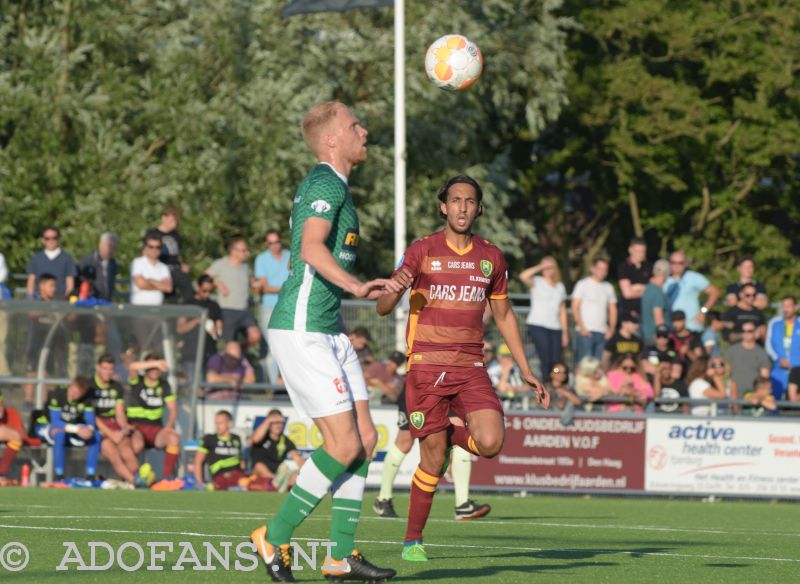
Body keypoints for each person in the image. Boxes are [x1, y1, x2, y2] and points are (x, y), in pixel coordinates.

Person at [251, 102, 399, 583]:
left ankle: (339, 555)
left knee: (366, 439)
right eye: (355, 126)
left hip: (328, 328)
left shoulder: (339, 186)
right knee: (341, 443)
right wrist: (357, 287)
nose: (365, 130)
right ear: (333, 140)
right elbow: (311, 248)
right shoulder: (324, 182)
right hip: (302, 327)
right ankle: (274, 535)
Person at [376, 173, 549, 563]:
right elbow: (382, 307)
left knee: (490, 443)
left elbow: (504, 316)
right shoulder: (421, 250)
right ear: (443, 206)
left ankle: (448, 432)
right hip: (425, 367)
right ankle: (412, 540)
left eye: (469, 201)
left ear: (478, 208)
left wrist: (526, 368)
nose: (462, 208)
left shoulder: (491, 257)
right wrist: (396, 287)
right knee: (432, 461)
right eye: (455, 200)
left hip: (471, 366)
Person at [373, 343, 494, 522]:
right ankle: (383, 498)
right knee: (404, 442)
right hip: (422, 382)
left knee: (459, 427)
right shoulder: (426, 323)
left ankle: (462, 504)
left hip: (449, 381)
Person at [126, 354, 181, 483]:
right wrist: (155, 363)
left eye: (157, 368)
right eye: (151, 367)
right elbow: (131, 366)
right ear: (146, 367)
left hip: (155, 428)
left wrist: (168, 426)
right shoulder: (137, 381)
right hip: (137, 427)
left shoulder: (164, 385)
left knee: (173, 438)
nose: (155, 370)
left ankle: (166, 480)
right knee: (137, 445)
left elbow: (173, 410)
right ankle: (134, 478)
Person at [35, 376, 101, 482]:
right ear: (71, 385)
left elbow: (90, 421)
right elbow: (55, 422)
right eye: (73, 390)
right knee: (59, 434)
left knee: (96, 435)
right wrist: (77, 430)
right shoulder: (57, 393)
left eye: (78, 393)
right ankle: (59, 476)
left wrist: (89, 429)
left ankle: (90, 475)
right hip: (45, 426)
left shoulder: (87, 399)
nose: (74, 394)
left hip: (70, 429)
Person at [195, 410, 273, 491]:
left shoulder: (236, 439)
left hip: (238, 474)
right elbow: (198, 461)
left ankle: (272, 483)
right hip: (221, 475)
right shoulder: (209, 439)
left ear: (230, 423)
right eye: (216, 423)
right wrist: (200, 483)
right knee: (244, 481)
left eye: (220, 423)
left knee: (255, 476)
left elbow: (241, 460)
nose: (217, 426)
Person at [91, 354, 139, 484]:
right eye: (104, 368)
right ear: (98, 368)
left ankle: (136, 478)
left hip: (113, 425)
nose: (108, 372)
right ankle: (137, 482)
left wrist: (124, 428)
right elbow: (91, 416)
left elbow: (119, 414)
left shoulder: (116, 387)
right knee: (114, 454)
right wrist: (111, 434)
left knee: (127, 450)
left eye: (110, 369)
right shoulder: (90, 386)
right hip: (97, 428)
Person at [206, 238, 261, 349]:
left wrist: (255, 283)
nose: (247, 253)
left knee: (255, 336)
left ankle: (238, 353)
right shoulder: (220, 264)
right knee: (227, 344)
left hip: (244, 310)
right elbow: (204, 278)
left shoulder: (245, 267)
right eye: (244, 250)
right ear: (234, 251)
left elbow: (252, 281)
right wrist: (219, 283)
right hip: (227, 310)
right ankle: (231, 355)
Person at [519, 256, 569, 378]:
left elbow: (562, 311)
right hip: (538, 325)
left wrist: (565, 332)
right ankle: (546, 384)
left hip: (556, 327)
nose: (548, 269)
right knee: (545, 359)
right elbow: (523, 276)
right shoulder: (537, 281)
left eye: (550, 267)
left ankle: (556, 384)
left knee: (556, 360)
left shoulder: (560, 286)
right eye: (545, 267)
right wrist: (542, 266)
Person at [176, 275, 223, 388]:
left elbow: (219, 329)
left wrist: (215, 331)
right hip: (191, 354)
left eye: (210, 291)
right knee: (192, 389)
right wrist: (197, 321)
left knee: (208, 390)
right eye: (204, 290)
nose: (207, 294)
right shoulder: (188, 304)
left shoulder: (214, 305)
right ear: (198, 287)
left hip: (210, 353)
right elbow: (180, 329)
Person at [571, 258, 618, 363]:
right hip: (586, 332)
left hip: (602, 332)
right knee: (584, 366)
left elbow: (613, 309)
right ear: (593, 269)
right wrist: (582, 327)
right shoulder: (582, 284)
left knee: (599, 366)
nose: (602, 272)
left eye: (605, 269)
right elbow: (575, 307)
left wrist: (611, 329)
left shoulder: (608, 287)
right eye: (600, 268)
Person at [248, 409, 305, 492]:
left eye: (281, 423)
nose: (278, 426)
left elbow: (297, 458)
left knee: (296, 474)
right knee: (259, 466)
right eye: (275, 423)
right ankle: (276, 485)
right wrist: (268, 420)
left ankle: (278, 487)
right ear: (269, 424)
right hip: (258, 476)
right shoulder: (261, 436)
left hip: (278, 474)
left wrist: (305, 472)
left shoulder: (285, 440)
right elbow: (255, 439)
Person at [664, 250, 720, 333]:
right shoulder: (664, 280)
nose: (676, 265)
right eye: (673, 262)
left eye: (680, 263)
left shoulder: (693, 277)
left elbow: (715, 292)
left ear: (685, 264)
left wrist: (703, 312)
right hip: (671, 328)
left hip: (692, 327)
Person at [254, 230, 291, 337]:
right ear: (266, 244)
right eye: (271, 243)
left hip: (288, 306)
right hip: (269, 307)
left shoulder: (290, 255)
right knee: (272, 344)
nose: (274, 245)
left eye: (277, 242)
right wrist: (286, 289)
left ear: (281, 241)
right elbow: (264, 288)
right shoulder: (261, 259)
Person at [154, 205, 193, 303]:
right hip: (161, 269)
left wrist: (182, 264)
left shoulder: (175, 235)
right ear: (164, 218)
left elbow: (177, 254)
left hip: (175, 268)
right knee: (166, 294)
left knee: (187, 288)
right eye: (172, 221)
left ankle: (187, 313)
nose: (174, 224)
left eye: (175, 222)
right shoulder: (153, 234)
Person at [26, 225, 77, 300]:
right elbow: (31, 281)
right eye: (47, 238)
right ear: (43, 240)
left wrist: (65, 301)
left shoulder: (67, 258)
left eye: (54, 238)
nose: (51, 240)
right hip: (39, 301)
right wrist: (31, 299)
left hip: (60, 300)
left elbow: (70, 285)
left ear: (59, 239)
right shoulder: (36, 258)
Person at [0, 391, 41, 484]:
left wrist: (6, 430)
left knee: (15, 437)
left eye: (1, 404)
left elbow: (20, 435)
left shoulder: (11, 413)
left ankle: (1, 474)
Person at [766, 295, 800, 401]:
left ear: (796, 307)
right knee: (777, 398)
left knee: (794, 400)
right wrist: (778, 359)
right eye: (783, 306)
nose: (785, 309)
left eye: (789, 306)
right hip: (779, 369)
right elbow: (768, 344)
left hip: (797, 370)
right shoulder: (774, 323)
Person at [724, 324, 771, 396]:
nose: (746, 333)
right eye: (743, 331)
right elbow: (724, 373)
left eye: (749, 331)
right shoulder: (731, 350)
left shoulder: (762, 353)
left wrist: (760, 396)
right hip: (733, 395)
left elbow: (764, 379)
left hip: (753, 397)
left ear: (755, 333)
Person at [130, 231, 172, 306]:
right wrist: (160, 285)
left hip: (157, 310)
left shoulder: (164, 267)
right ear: (146, 247)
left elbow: (168, 288)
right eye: (151, 246)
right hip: (139, 309)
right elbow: (141, 284)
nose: (154, 250)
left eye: (157, 247)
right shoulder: (137, 262)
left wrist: (150, 280)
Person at [617, 237, 652, 320]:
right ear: (630, 250)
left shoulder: (649, 267)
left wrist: (636, 287)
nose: (640, 254)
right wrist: (645, 289)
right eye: (637, 251)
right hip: (629, 315)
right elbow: (627, 294)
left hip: (647, 312)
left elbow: (653, 289)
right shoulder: (624, 267)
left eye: (642, 251)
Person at [78, 232, 119, 302]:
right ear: (101, 244)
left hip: (106, 302)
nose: (112, 250)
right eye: (110, 246)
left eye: (114, 247)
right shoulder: (87, 261)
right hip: (89, 302)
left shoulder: (113, 263)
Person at [641, 258, 670, 346]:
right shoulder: (658, 292)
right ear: (667, 274)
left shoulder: (648, 288)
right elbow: (658, 318)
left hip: (646, 333)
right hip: (656, 337)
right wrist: (663, 337)